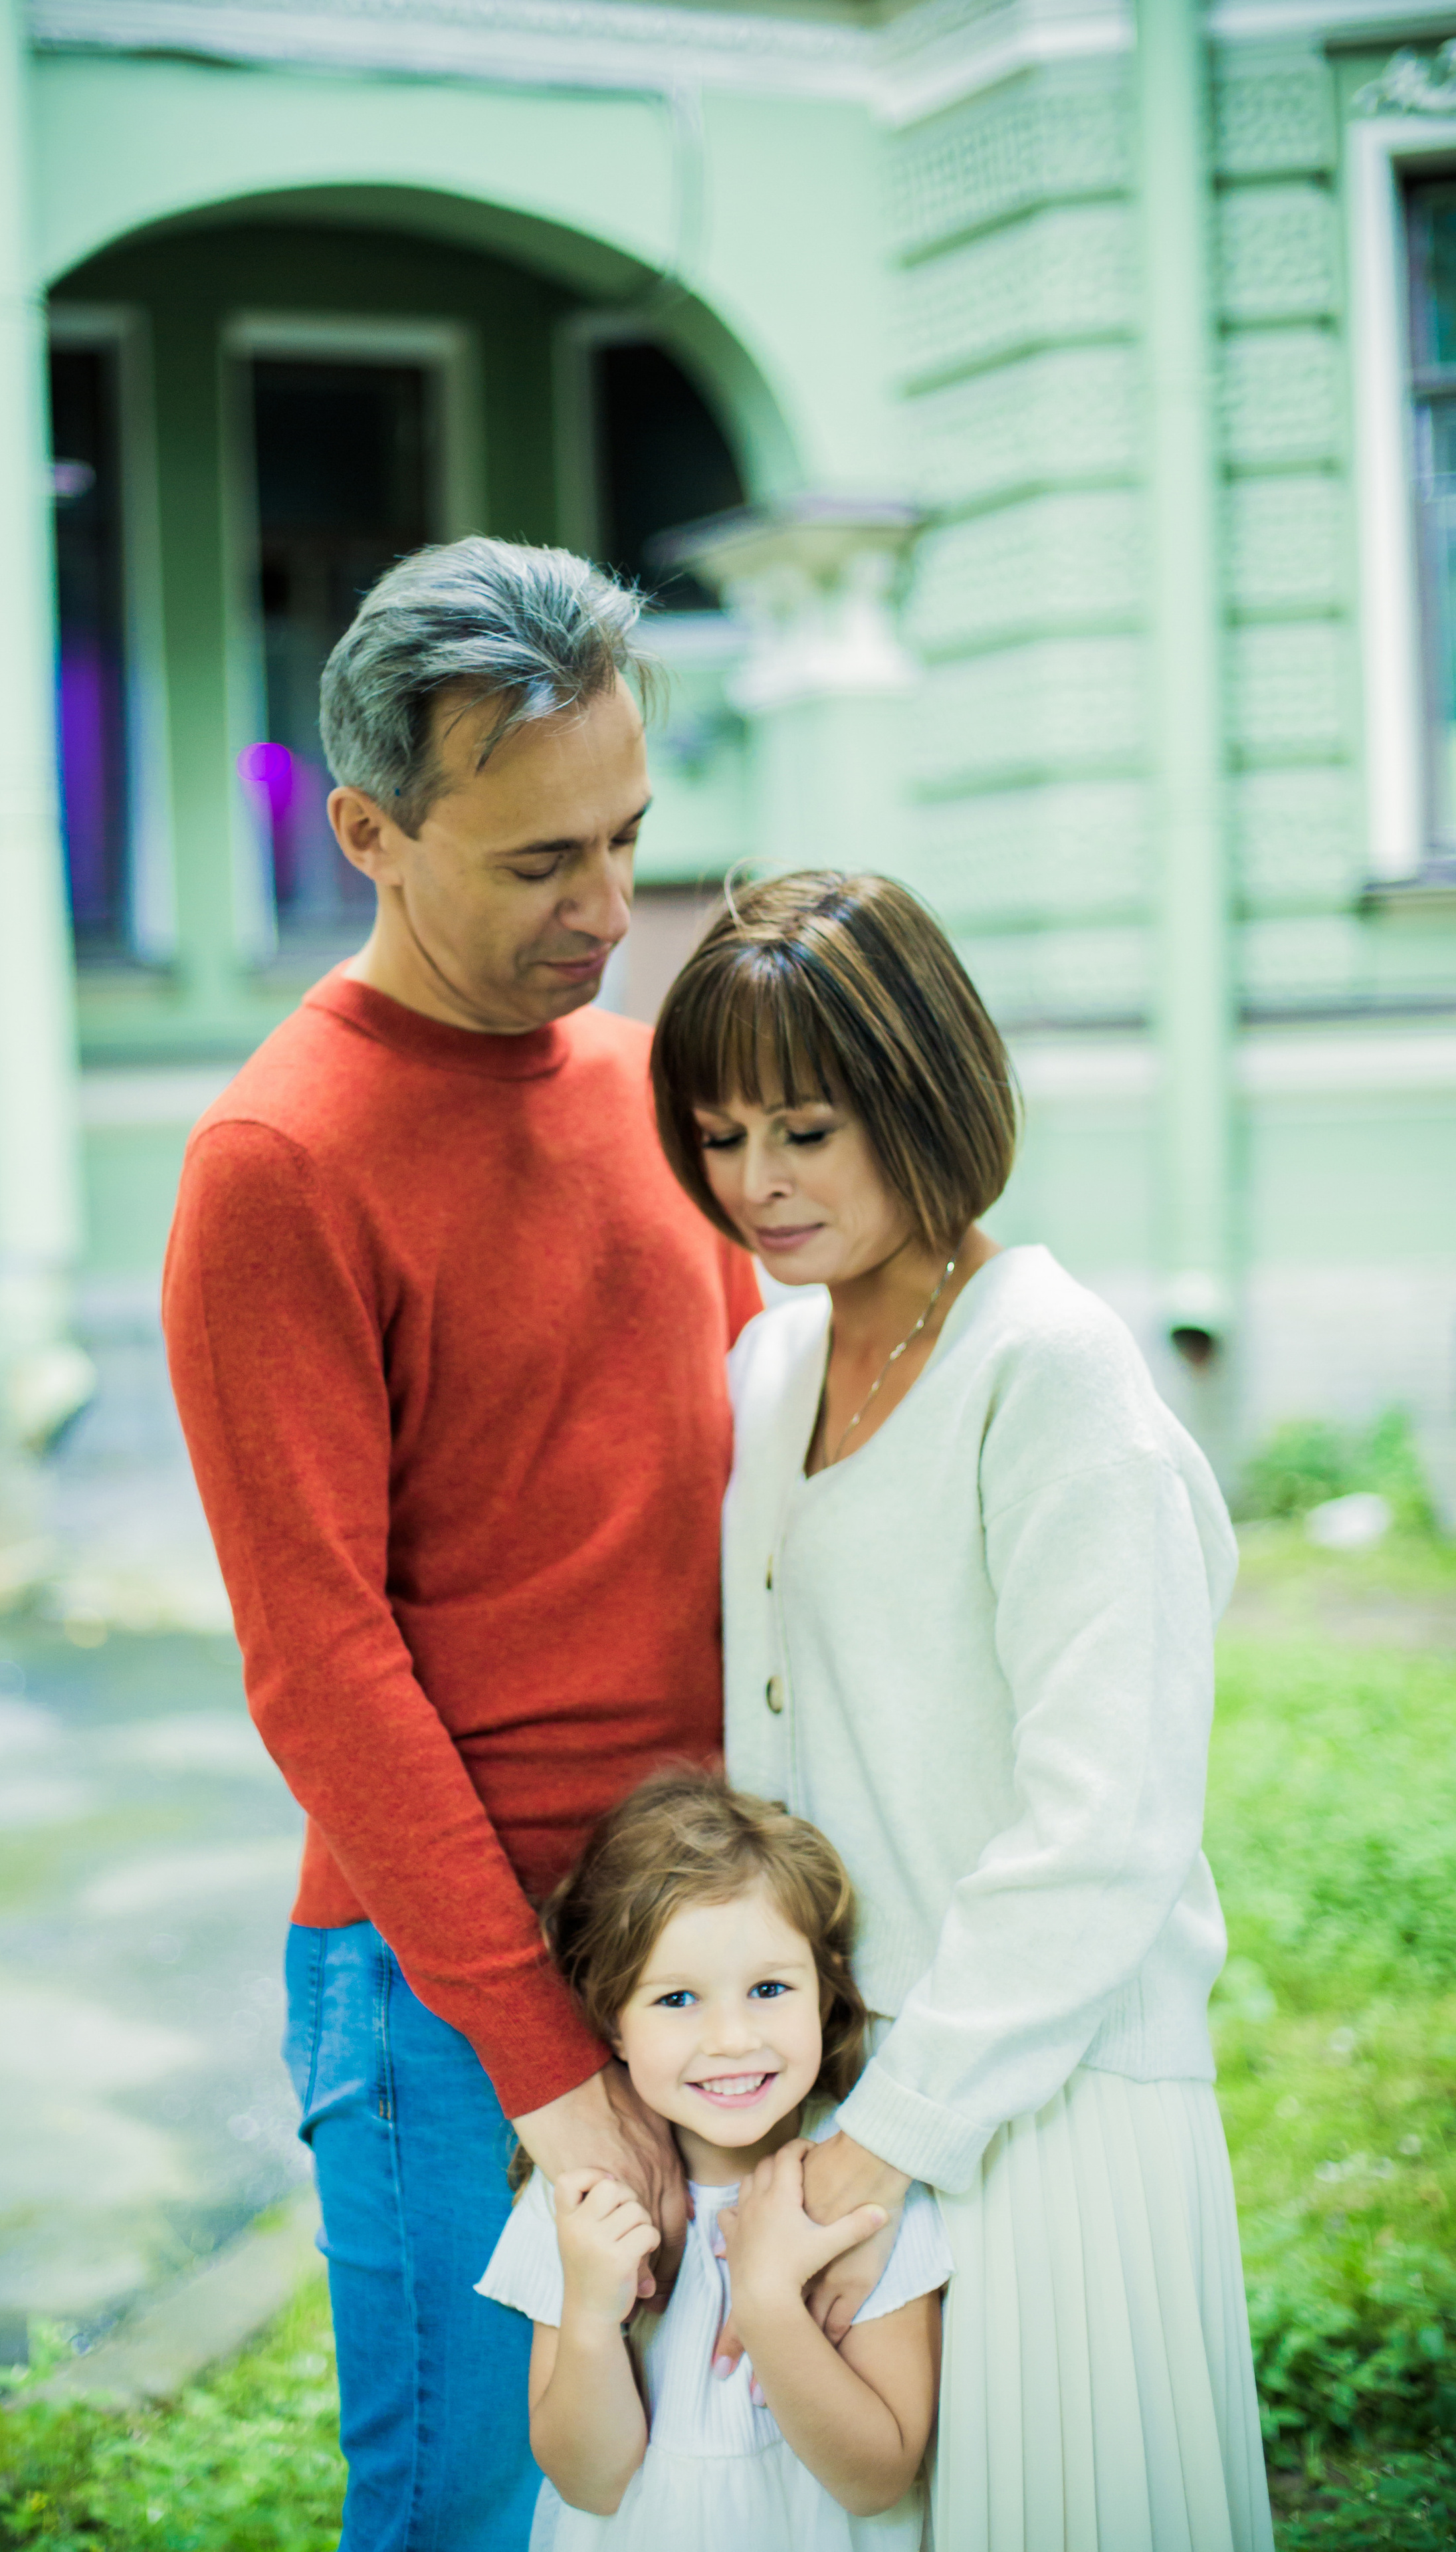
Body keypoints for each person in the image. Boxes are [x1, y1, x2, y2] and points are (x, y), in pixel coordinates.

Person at [162, 539, 760, 2552]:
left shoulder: (637, 1076)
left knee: (691, 2477)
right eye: (536, 863)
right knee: (458, 2511)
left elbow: (747, 1453)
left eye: (627, 837)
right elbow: (316, 1659)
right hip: (446, 1982)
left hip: (714, 1933)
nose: (606, 909)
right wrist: (543, 2064)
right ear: (369, 832)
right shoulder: (278, 1161)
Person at [650, 871, 1276, 2551]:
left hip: (1041, 2099)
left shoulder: (1046, 1365)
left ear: (918, 1090)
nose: (757, 1183)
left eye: (802, 1125)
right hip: (845, 2084)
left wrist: (892, 2145)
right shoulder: (768, 1371)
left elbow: (1105, 1828)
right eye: (717, 1136)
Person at [477, 1769, 952, 2549]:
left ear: (825, 1993)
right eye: (676, 2000)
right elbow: (589, 2480)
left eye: (769, 1988)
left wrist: (766, 2301)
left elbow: (875, 2479)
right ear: (613, 2024)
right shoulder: (589, 2198)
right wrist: (594, 2319)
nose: (732, 2038)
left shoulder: (865, 2191)